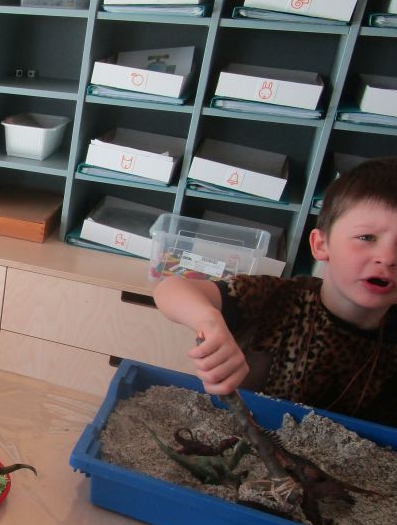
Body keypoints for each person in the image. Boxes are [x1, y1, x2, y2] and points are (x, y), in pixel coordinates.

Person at [153, 156, 397, 427]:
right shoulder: (277, 298)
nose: (387, 258)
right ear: (321, 245)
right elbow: (171, 288)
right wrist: (208, 320)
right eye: (366, 238)